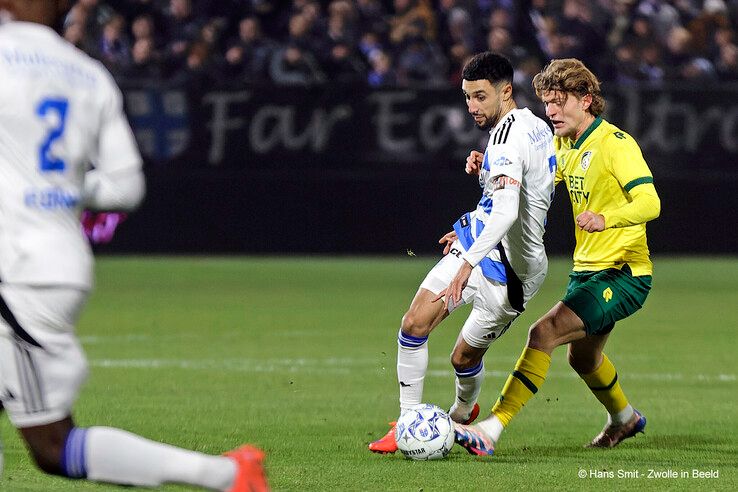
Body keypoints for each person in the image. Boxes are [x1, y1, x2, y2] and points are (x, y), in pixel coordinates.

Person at [0, 2, 268, 490]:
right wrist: (60, 188)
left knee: (51, 443)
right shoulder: (88, 73)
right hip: (58, 261)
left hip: (14, 269)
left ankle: (230, 475)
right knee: (46, 438)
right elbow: (125, 186)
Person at [454, 58, 661, 455]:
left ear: (586, 100)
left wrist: (607, 217)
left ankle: (492, 427)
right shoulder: (563, 145)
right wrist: (487, 168)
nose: (550, 111)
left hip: (624, 273)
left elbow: (650, 202)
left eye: (559, 101)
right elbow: (533, 182)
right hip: (587, 272)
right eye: (547, 102)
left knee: (543, 333)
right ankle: (625, 419)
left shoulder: (616, 144)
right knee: (583, 359)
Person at [369, 51, 556, 454]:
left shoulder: (508, 137)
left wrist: (466, 265)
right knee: (414, 324)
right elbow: (526, 184)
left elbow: (508, 211)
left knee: (462, 358)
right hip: (481, 246)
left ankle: (461, 416)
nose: (472, 107)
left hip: (513, 275)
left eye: (480, 97)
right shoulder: (532, 126)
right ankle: (407, 422)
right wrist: (487, 168)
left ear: (506, 91)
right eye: (467, 97)